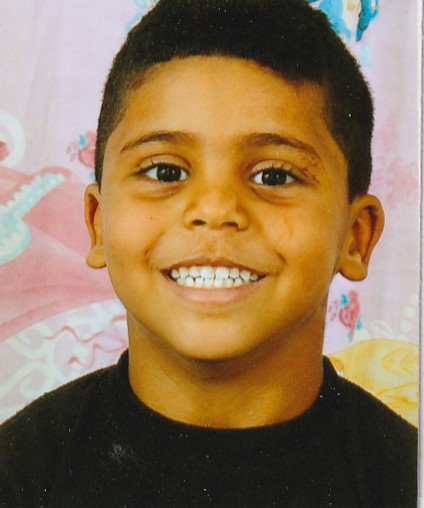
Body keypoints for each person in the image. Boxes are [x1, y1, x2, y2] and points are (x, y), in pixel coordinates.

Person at [0, 0, 417, 506]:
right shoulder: (18, 475)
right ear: (97, 224)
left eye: (274, 176)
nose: (215, 210)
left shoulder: (404, 479)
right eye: (165, 172)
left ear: (355, 236)